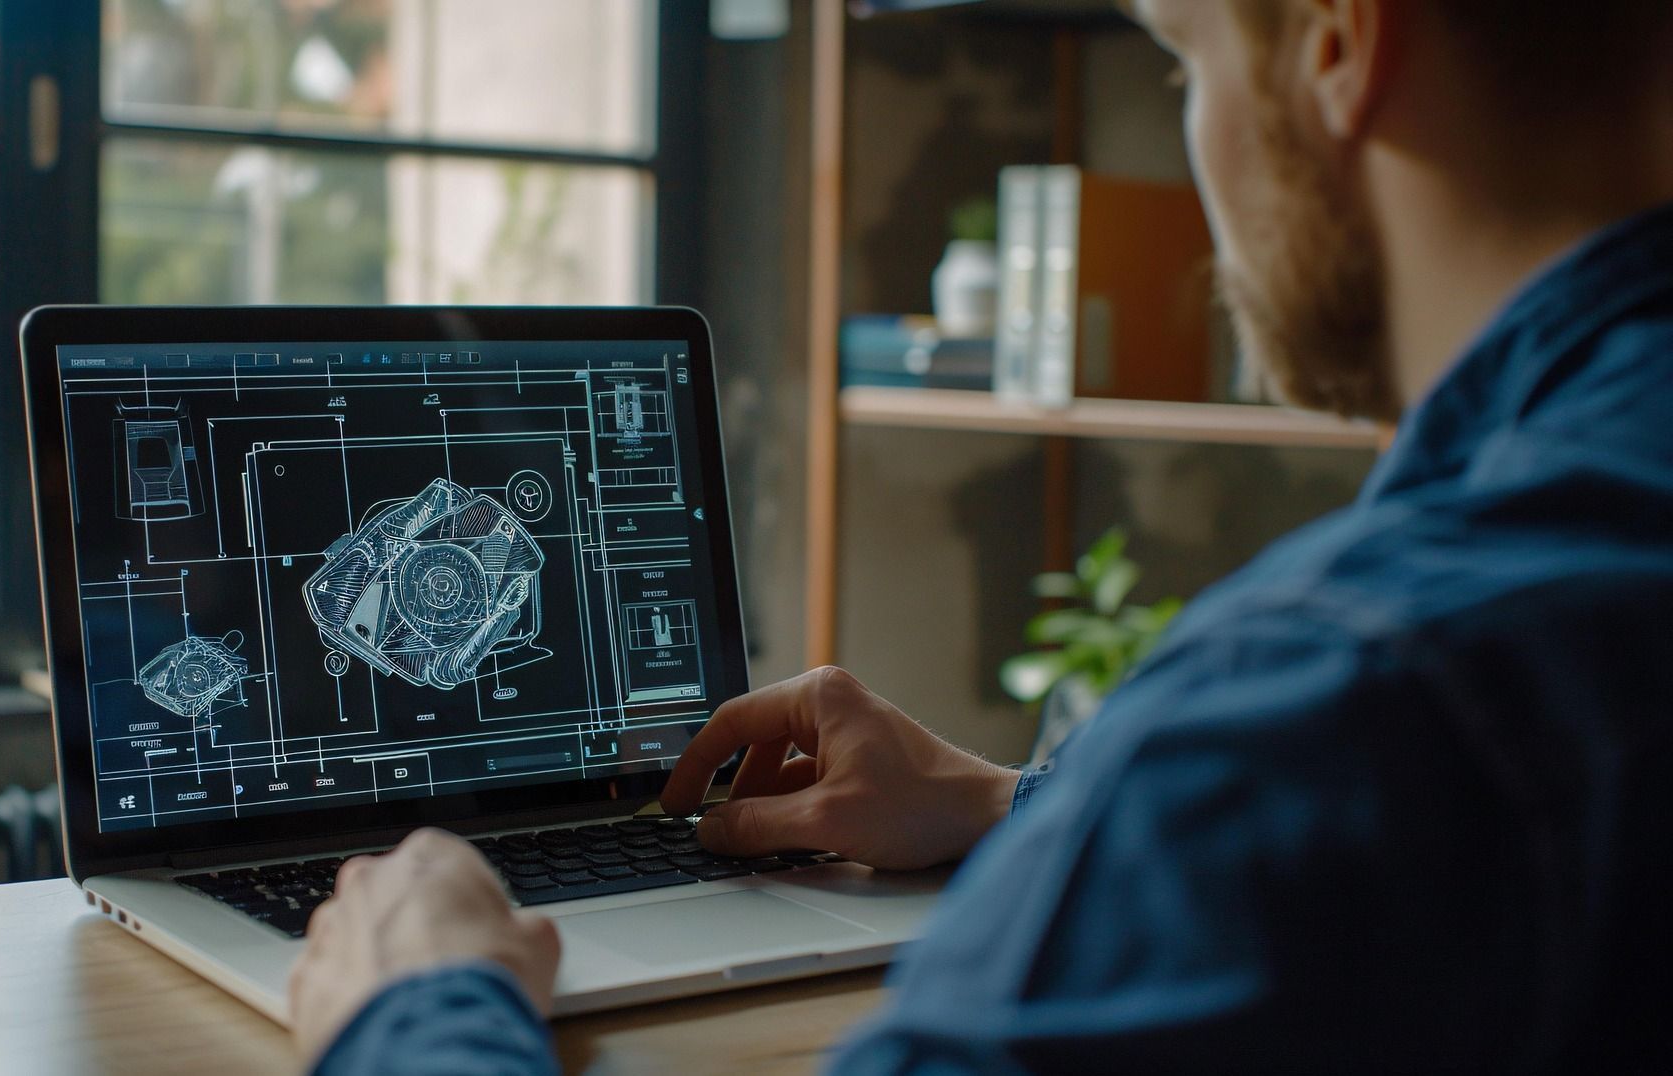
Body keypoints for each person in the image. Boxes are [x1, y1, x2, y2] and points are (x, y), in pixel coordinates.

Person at [288, 0, 1673, 1070]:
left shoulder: (1349, 697)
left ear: (1337, 43)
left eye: (1183, 65)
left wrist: (419, 1010)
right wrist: (1017, 802)